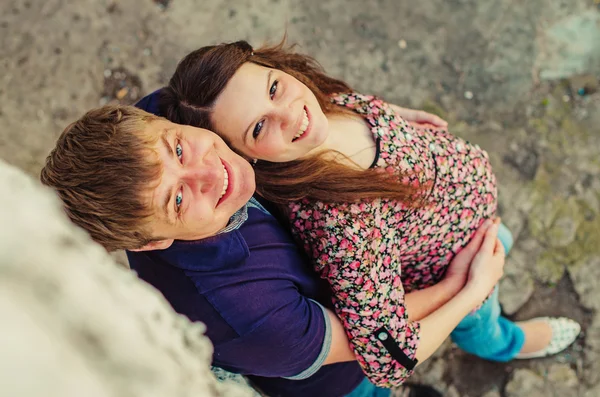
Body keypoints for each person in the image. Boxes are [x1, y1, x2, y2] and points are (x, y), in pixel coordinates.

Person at [157, 39, 581, 387]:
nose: (288, 114)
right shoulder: (344, 227)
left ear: (272, 65)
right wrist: (470, 287)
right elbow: (389, 357)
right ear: (244, 157)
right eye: (259, 128)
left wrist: (389, 116)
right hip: (456, 264)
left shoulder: (319, 102)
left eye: (273, 88)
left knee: (497, 252)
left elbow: (311, 104)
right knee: (483, 314)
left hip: (471, 216)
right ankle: (504, 342)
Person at [40, 105, 462, 397]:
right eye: (179, 201)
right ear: (153, 242)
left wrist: (372, 116)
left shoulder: (169, 116)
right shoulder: (246, 316)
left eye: (180, 150)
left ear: (158, 118)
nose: (209, 171)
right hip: (340, 377)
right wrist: (465, 285)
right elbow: (373, 340)